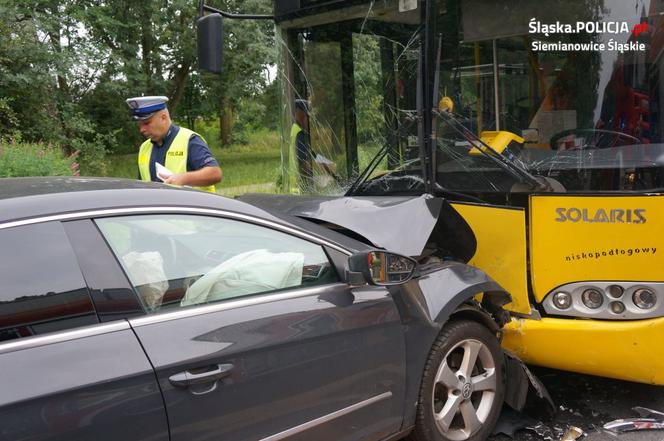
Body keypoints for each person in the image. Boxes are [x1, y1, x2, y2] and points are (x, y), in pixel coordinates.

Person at [126, 96, 222, 193]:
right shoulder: (144, 148)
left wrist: (183, 179)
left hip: (195, 207)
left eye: (146, 123)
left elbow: (215, 173)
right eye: (140, 124)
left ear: (163, 118)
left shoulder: (189, 140)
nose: (141, 129)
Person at [289, 99, 314, 193]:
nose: (309, 120)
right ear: (301, 115)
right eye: (307, 116)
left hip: (295, 187)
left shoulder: (294, 129)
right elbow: (306, 165)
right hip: (303, 189)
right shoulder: (301, 134)